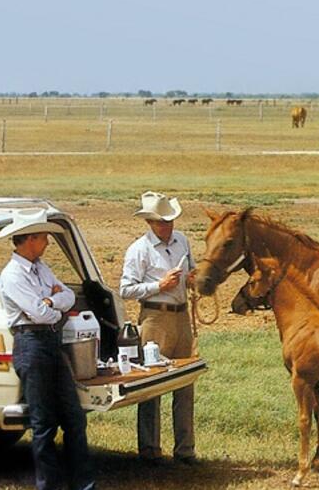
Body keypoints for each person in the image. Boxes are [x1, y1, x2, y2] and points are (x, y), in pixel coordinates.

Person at [0, 209, 96, 490]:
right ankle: (49, 485)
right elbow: (40, 314)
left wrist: (52, 302)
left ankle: (82, 483)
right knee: (43, 422)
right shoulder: (13, 275)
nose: (47, 243)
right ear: (29, 239)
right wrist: (53, 307)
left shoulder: (41, 268)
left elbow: (68, 296)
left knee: (74, 417)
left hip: (50, 343)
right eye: (43, 237)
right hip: (31, 344)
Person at [119, 191, 199, 464]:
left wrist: (191, 279)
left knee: (185, 382)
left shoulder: (182, 241)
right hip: (155, 318)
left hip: (181, 316)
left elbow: (192, 270)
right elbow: (126, 289)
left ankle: (185, 450)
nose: (168, 226)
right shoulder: (139, 250)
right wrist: (159, 286)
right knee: (151, 384)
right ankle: (150, 449)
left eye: (170, 221)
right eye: (162, 222)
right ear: (150, 222)